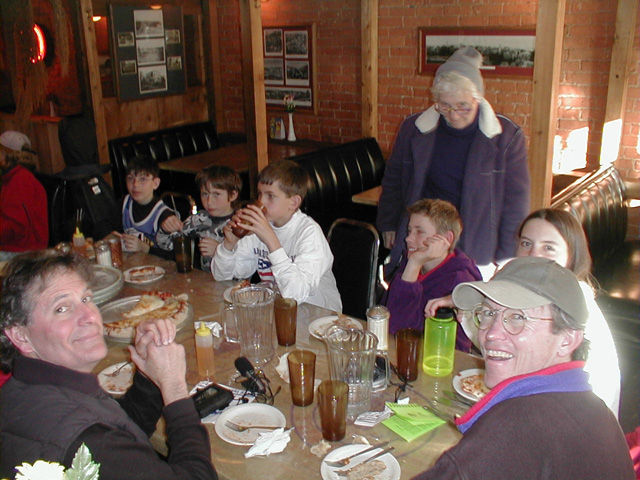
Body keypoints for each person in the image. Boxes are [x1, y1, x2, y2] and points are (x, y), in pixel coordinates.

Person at [0, 252, 217, 480]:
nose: (90, 316)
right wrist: (175, 389)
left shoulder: (25, 388)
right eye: (62, 309)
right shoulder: (87, 443)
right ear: (20, 336)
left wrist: (148, 377)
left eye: (86, 299)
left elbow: (119, 430)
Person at [413, 257, 634, 479]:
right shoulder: (598, 412)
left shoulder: (513, 429)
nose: (491, 334)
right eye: (488, 313)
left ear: (567, 340)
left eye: (517, 317)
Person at [426, 208, 621, 415]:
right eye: (526, 244)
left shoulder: (579, 312)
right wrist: (469, 303)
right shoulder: (532, 292)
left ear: (572, 255)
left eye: (548, 247)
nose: (534, 255)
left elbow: (596, 397)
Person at [376, 46, 529, 278]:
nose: (454, 114)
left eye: (463, 106)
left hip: (476, 241)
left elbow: (515, 203)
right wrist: (388, 223)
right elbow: (394, 179)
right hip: (424, 238)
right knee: (417, 293)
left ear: (478, 99)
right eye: (445, 106)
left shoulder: (506, 137)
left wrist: (507, 257)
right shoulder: (414, 129)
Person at [212, 160, 341, 311]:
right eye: (260, 194)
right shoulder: (259, 227)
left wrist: (271, 240)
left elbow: (295, 295)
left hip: (319, 314)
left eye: (270, 196)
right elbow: (222, 276)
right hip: (278, 310)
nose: (261, 201)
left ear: (293, 203)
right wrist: (229, 245)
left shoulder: (309, 233)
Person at [385, 199, 481, 351]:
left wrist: (414, 264)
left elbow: (402, 331)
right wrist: (413, 265)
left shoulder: (458, 281)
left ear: (447, 239)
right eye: (409, 231)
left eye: (419, 232)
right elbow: (387, 317)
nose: (408, 238)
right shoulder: (412, 262)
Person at [157, 165, 241, 270]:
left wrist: (220, 251)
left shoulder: (241, 223)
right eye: (205, 194)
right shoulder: (200, 219)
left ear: (233, 195)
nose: (209, 202)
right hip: (205, 278)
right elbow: (167, 245)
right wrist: (165, 229)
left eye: (216, 194)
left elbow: (246, 269)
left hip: (233, 279)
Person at [117, 155, 181, 255]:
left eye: (142, 179)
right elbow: (105, 226)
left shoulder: (164, 216)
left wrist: (146, 248)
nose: (135, 184)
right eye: (130, 178)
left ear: (156, 183)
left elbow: (175, 255)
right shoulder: (124, 203)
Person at [0, 131, 48, 260]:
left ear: (6, 154)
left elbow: (16, 226)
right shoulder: (14, 178)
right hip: (18, 247)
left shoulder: (20, 181)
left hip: (21, 252)